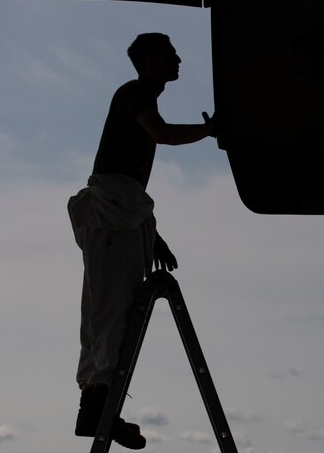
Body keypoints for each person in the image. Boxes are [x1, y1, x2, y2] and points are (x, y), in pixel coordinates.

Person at [67, 32, 215, 450]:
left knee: (109, 313)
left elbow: (127, 191)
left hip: (121, 217)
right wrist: (209, 131)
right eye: (170, 54)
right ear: (150, 61)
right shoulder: (134, 92)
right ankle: (99, 410)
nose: (178, 59)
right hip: (113, 218)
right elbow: (161, 135)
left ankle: (99, 409)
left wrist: (152, 236)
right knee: (110, 314)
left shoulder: (137, 96)